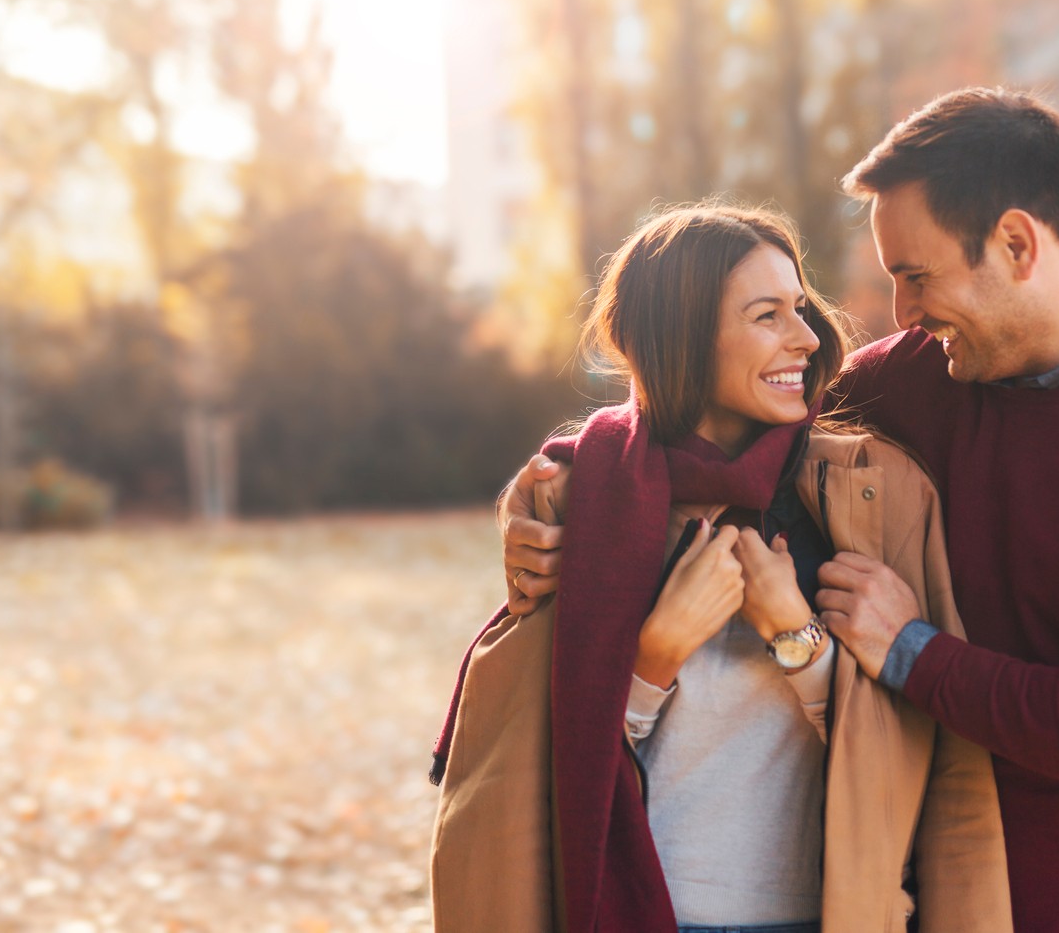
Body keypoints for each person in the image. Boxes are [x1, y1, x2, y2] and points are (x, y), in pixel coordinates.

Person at [501, 89, 1059, 933]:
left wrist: (911, 652)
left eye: (917, 276)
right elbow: (714, 420)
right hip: (920, 898)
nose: (904, 314)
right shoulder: (917, 376)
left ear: (1017, 243)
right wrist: (552, 491)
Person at [430, 205, 1012, 933]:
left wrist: (796, 637)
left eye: (800, 308)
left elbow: (927, 760)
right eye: (767, 315)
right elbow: (547, 776)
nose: (805, 337)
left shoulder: (876, 495)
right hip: (636, 913)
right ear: (682, 341)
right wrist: (653, 661)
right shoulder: (584, 501)